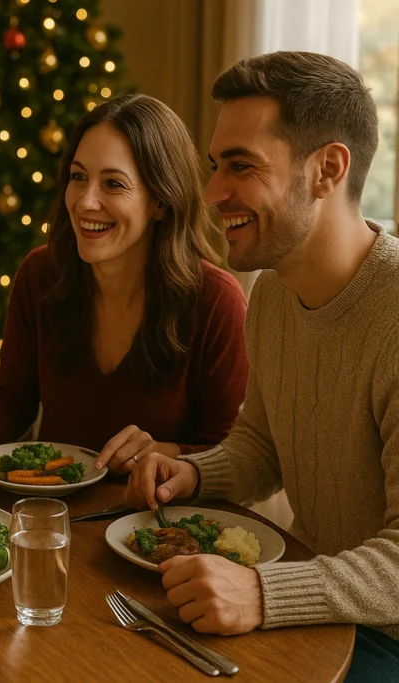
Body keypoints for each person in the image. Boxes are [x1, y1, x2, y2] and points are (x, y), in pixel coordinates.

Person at [126, 51, 399, 677]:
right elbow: (264, 445)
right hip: (320, 616)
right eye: (216, 165)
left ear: (328, 169)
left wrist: (264, 592)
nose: (214, 192)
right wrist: (191, 475)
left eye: (241, 166)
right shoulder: (273, 294)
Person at [0, 94, 248, 474]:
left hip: (157, 523)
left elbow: (230, 457)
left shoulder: (216, 300)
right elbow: (14, 398)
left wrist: (163, 451)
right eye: (78, 177)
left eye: (113, 184)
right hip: (51, 513)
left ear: (161, 202)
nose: (86, 202)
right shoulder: (40, 273)